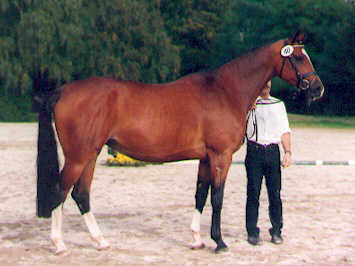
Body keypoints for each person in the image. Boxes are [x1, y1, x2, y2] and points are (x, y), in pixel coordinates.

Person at [244, 80, 291, 245]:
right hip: (254, 151)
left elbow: (284, 130)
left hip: (272, 151)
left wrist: (287, 152)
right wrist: (247, 110)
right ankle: (252, 231)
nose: (266, 88)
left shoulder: (278, 104)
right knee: (253, 193)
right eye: (263, 85)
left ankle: (276, 230)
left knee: (275, 194)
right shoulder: (248, 104)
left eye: (268, 85)